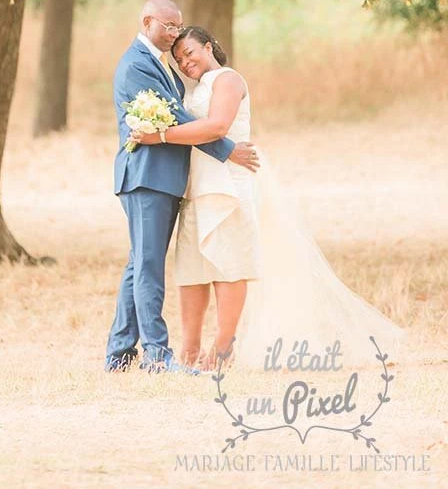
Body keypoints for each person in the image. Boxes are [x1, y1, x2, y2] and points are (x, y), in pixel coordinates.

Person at [132, 25, 405, 370]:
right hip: (198, 182)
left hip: (228, 182)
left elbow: (217, 127)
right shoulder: (197, 87)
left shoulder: (228, 80)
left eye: (190, 53)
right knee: (193, 265)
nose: (185, 63)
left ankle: (223, 348)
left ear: (209, 46)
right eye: (179, 59)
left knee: (229, 264)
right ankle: (188, 349)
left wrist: (159, 136)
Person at [105, 0, 259, 373]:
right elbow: (176, 117)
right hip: (147, 177)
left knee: (140, 264)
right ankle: (157, 355)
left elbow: (185, 118)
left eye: (180, 29)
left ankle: (121, 352)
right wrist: (228, 150)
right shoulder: (137, 65)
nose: (174, 35)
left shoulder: (178, 71)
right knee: (148, 267)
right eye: (168, 27)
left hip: (174, 180)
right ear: (147, 21)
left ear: (208, 46)